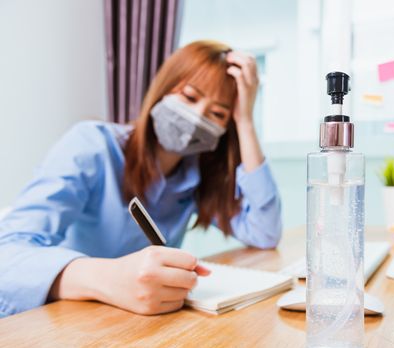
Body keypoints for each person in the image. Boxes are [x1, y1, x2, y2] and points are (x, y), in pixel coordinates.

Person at [0, 40, 282, 317]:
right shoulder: (91, 146)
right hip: (61, 323)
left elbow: (265, 232)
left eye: (217, 113)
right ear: (162, 90)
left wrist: (244, 121)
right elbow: (7, 255)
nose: (197, 118)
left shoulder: (197, 179)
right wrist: (107, 278)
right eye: (190, 97)